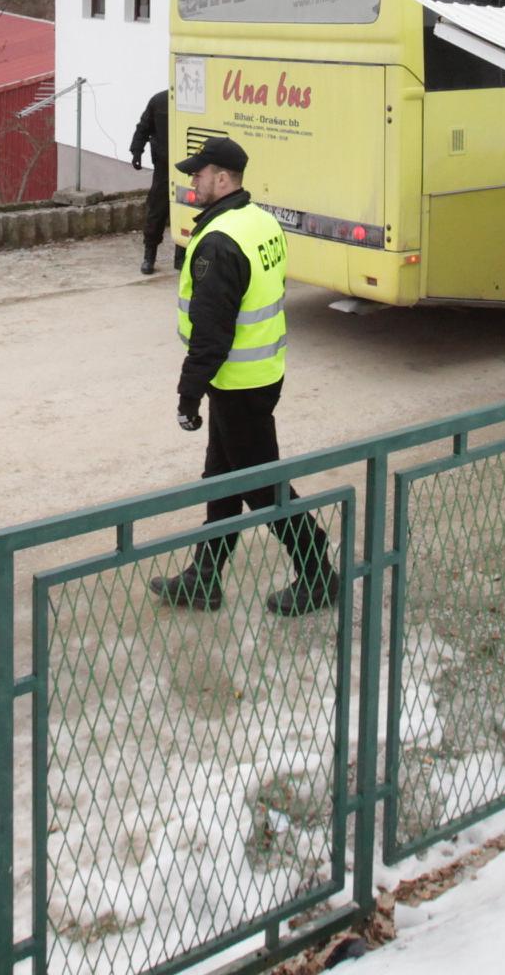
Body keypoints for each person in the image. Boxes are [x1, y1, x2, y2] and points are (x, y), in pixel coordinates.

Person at [148, 135, 336, 617]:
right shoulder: (260, 222)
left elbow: (212, 334)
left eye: (200, 174)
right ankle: (204, 578)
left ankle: (318, 574)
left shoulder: (218, 241)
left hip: (237, 384)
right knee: (222, 478)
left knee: (260, 486)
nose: (194, 181)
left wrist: (187, 396)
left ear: (224, 179)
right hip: (260, 376)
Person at [126, 87, 170, 276]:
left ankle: (183, 257)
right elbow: (143, 127)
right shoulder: (159, 101)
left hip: (190, 168)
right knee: (156, 212)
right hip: (163, 168)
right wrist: (137, 151)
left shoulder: (198, 103)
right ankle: (149, 255)